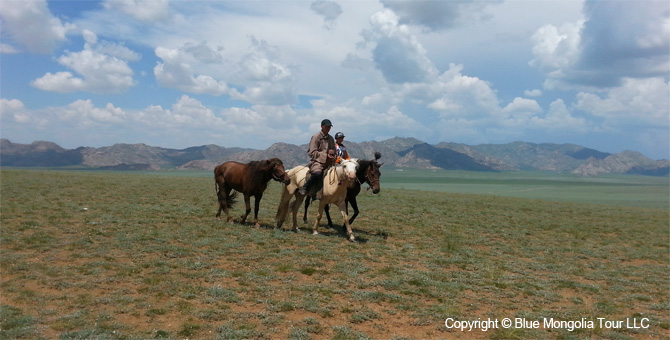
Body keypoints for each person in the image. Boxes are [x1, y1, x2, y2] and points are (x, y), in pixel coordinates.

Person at [301, 119, 336, 197]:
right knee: (317, 174)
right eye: (327, 127)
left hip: (329, 162)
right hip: (317, 162)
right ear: (322, 126)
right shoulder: (316, 137)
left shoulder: (331, 138)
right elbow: (311, 152)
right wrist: (326, 155)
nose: (328, 128)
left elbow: (334, 150)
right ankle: (306, 187)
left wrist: (332, 153)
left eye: (329, 127)